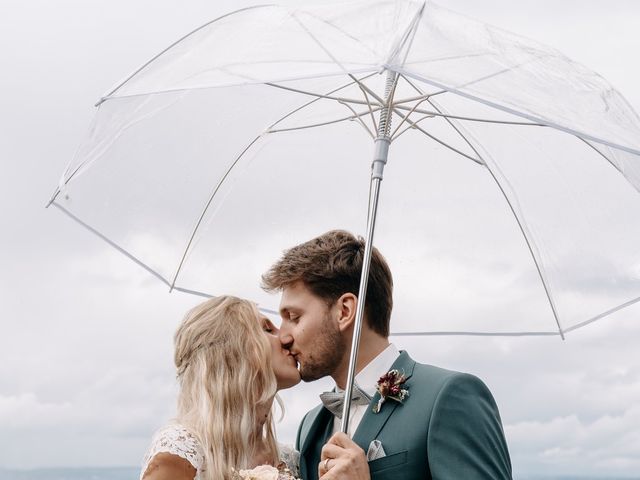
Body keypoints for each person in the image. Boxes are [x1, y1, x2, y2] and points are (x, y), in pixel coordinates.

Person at [262, 230, 513, 480]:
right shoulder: (310, 426)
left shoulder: (448, 396)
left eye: (294, 317)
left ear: (345, 311)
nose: (283, 336)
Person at [139, 295, 368, 480]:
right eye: (268, 330)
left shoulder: (291, 461)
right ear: (233, 351)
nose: (286, 337)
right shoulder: (183, 449)